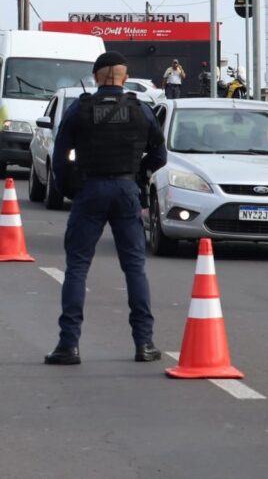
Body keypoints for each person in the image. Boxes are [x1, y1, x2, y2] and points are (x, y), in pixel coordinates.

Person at [44, 51, 168, 366]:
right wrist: (138, 177)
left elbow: (60, 157)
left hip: (89, 190)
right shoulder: (141, 110)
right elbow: (159, 156)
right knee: (134, 268)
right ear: (125, 78)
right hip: (126, 190)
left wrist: (71, 188)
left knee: (77, 267)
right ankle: (144, 343)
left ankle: (68, 345)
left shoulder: (80, 109)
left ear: (96, 77)